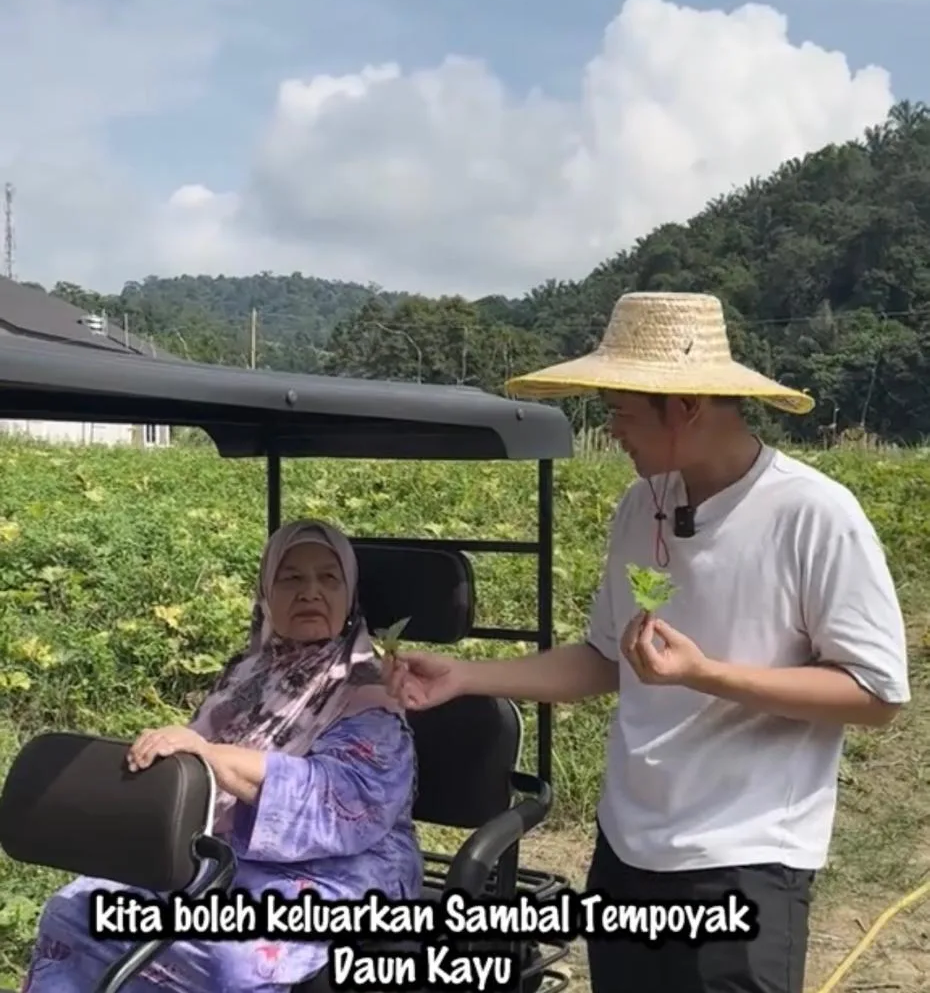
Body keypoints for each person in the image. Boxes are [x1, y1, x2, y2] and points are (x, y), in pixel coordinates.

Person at [383, 291, 911, 993]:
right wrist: (465, 676)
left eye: (620, 412)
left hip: (744, 858)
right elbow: (603, 660)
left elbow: (876, 695)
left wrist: (704, 674)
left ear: (685, 407)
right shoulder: (642, 505)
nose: (614, 430)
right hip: (628, 847)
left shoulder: (812, 515)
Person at [23, 519, 422, 993]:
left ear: (349, 595)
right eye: (291, 578)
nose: (310, 592)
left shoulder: (367, 691)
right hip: (223, 854)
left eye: (328, 578)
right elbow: (193, 768)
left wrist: (210, 756)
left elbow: (341, 803)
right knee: (75, 911)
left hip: (347, 866)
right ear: (266, 594)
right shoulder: (248, 674)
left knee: (231, 959)